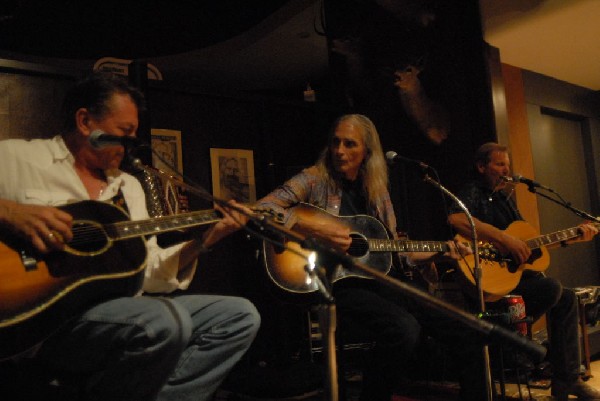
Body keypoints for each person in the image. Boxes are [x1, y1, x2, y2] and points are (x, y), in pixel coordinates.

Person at [0, 72, 260, 401]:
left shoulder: (128, 187)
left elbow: (149, 274)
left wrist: (205, 240)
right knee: (165, 320)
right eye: (124, 133)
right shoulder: (18, 159)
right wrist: (10, 212)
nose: (131, 144)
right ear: (84, 121)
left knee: (238, 316)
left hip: (125, 310)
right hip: (48, 321)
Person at [256, 113, 487, 401]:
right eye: (335, 142)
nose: (339, 151)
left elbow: (395, 251)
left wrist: (441, 252)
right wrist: (316, 228)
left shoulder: (377, 190)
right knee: (403, 328)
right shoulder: (314, 178)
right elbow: (260, 209)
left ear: (367, 151)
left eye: (349, 144)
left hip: (379, 279)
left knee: (465, 326)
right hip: (336, 281)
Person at [447, 142, 600, 401]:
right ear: (481, 166)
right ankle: (517, 347)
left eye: (508, 164)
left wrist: (573, 237)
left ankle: (567, 380)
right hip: (487, 285)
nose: (506, 170)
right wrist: (503, 240)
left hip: (513, 280)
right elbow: (456, 220)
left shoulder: (506, 201)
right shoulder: (473, 192)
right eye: (499, 164)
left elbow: (529, 246)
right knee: (551, 287)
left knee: (566, 298)